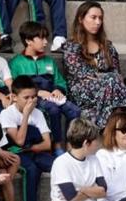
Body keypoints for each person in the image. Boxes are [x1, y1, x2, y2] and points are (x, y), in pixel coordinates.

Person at [61, 2, 126, 132]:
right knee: (111, 80)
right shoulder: (71, 46)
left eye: (100, 18)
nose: (98, 22)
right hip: (81, 91)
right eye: (93, 17)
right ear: (81, 19)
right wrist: (107, 76)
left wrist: (105, 77)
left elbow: (117, 72)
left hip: (110, 88)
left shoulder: (107, 46)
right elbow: (81, 74)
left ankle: (115, 123)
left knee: (112, 81)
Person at [10, 20, 79, 149]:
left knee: (74, 110)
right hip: (34, 98)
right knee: (53, 109)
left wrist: (59, 90)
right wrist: (37, 92)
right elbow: (15, 86)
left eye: (46, 38)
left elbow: (60, 81)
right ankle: (57, 145)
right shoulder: (16, 63)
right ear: (28, 41)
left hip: (53, 96)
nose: (46, 42)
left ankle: (71, 145)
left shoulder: (49, 61)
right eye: (41, 38)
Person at [0, 76, 54, 201]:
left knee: (58, 165)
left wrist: (32, 148)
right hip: (17, 154)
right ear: (15, 97)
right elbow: (19, 141)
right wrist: (25, 116)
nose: (31, 101)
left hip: (34, 152)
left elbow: (47, 144)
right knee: (31, 170)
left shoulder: (38, 113)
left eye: (33, 97)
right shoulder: (7, 114)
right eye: (26, 98)